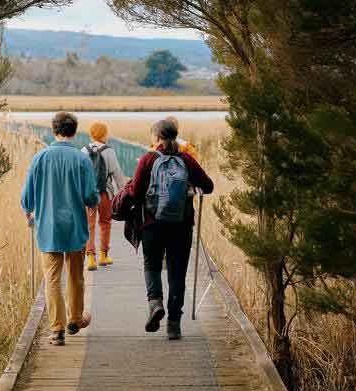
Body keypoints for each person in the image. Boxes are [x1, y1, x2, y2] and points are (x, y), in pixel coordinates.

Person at [130, 118, 214, 340]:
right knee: (177, 272)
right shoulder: (186, 159)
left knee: (152, 265)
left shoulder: (148, 159)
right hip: (182, 223)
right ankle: (174, 324)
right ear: (175, 137)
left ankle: (155, 302)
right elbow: (209, 186)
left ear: (157, 138)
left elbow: (136, 193)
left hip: (151, 224)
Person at [21, 111, 100, 346]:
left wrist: (29, 210)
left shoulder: (40, 158)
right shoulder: (81, 159)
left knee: (52, 278)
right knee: (76, 275)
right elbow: (90, 195)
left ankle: (57, 330)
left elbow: (27, 197)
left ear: (54, 130)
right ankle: (75, 318)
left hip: (48, 228)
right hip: (75, 226)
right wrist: (94, 203)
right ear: (74, 132)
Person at [82, 121, 126, 270]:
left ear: (91, 134)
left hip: (89, 195)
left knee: (90, 225)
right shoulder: (109, 151)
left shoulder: (84, 151)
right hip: (105, 194)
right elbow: (118, 175)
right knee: (105, 222)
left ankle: (90, 258)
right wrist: (124, 191)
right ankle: (103, 255)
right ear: (105, 134)